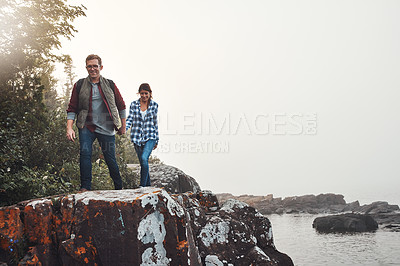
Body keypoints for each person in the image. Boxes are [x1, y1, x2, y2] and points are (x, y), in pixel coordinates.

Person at [66, 54, 126, 191]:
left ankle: (119, 188)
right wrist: (69, 128)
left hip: (107, 127)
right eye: (89, 66)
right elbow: (72, 108)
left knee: (110, 159)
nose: (92, 69)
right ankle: (85, 187)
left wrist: (123, 125)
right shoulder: (79, 85)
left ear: (101, 67)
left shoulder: (110, 84)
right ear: (86, 67)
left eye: (95, 66)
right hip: (86, 126)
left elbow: (121, 105)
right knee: (85, 153)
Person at [126, 83, 159, 187]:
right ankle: (148, 188)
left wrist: (157, 139)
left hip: (150, 136)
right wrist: (124, 129)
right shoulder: (133, 104)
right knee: (143, 164)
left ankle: (142, 186)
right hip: (137, 137)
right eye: (142, 93)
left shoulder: (154, 105)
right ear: (139, 94)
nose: (144, 96)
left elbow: (155, 122)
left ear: (150, 93)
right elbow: (130, 119)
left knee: (144, 159)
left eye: (146, 93)